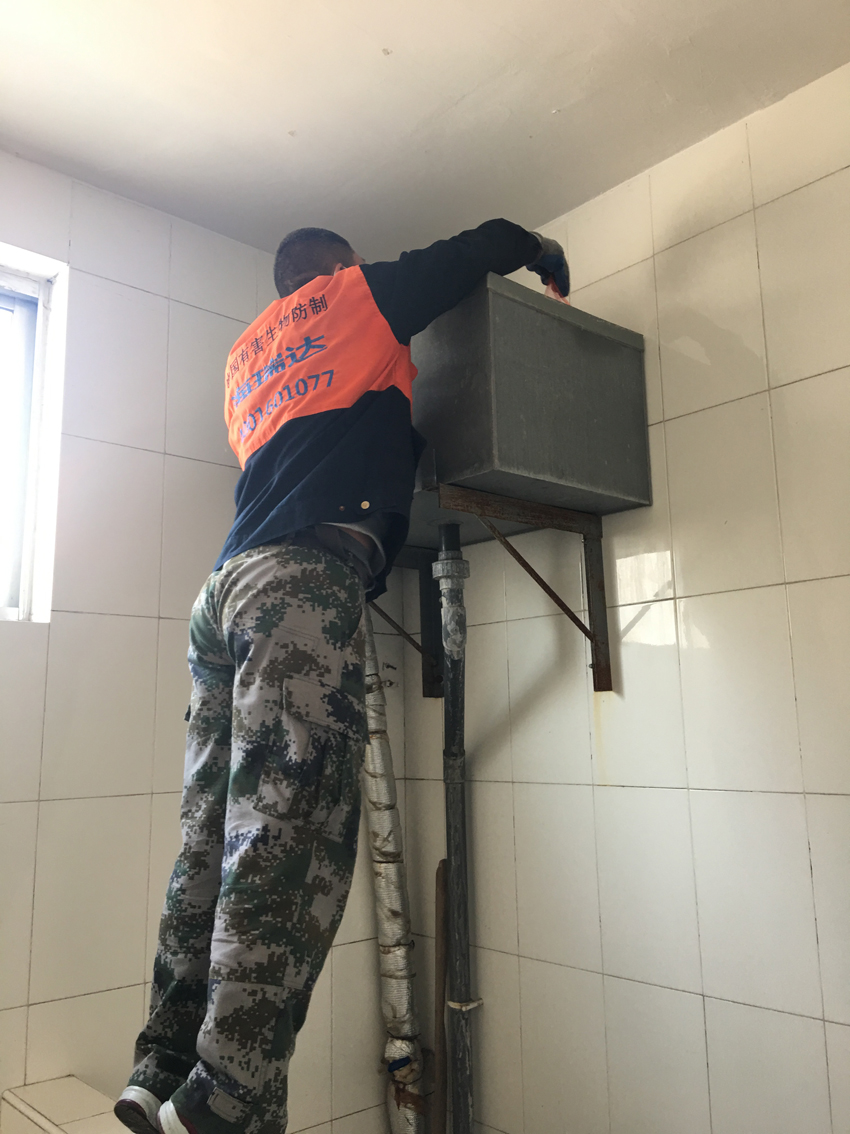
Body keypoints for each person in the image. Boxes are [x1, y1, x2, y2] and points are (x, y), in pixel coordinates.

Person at [113, 221, 569, 1134]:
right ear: (338, 270)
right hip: (298, 582)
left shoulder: (246, 357)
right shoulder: (351, 297)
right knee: (293, 832)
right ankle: (227, 1090)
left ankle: (161, 1067)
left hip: (225, 590)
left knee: (211, 829)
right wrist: (538, 250)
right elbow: (466, 252)